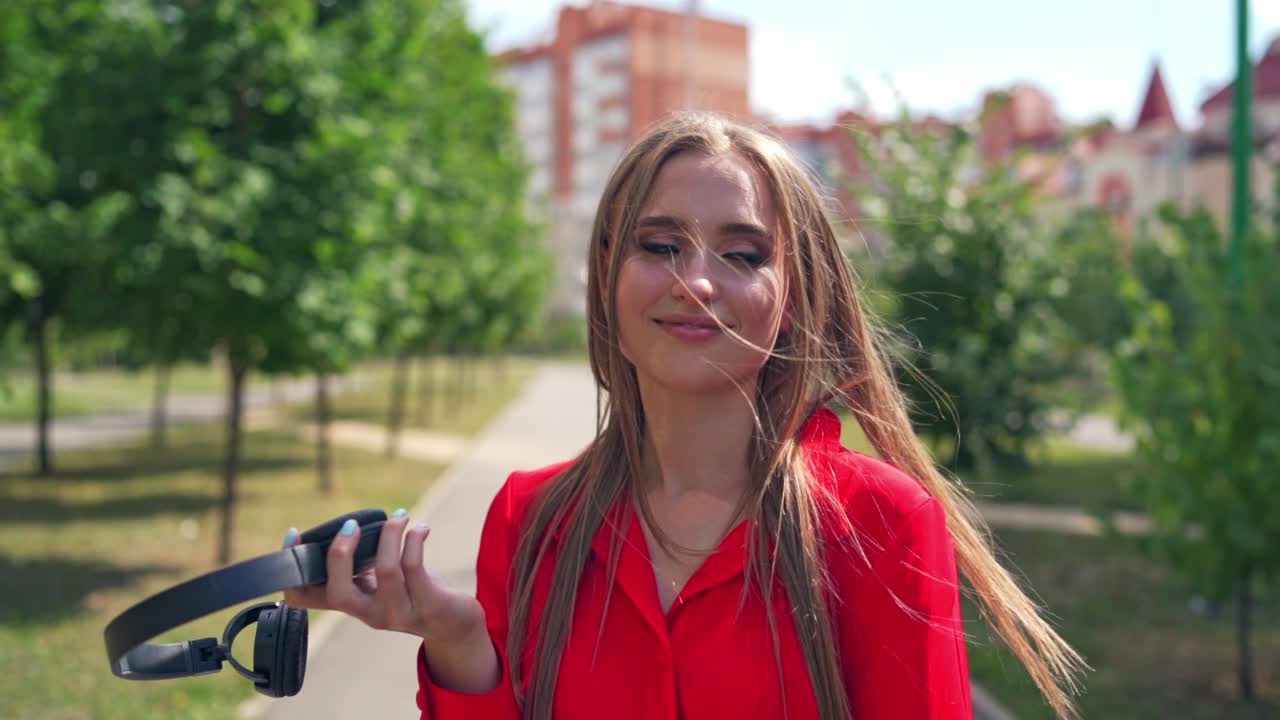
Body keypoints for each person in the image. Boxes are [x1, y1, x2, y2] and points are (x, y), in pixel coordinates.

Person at [283, 112, 1086, 719]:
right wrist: (461, 648)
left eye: (742, 254)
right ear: (607, 275)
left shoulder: (881, 524)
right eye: (660, 245)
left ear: (795, 294)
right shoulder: (529, 518)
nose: (694, 282)